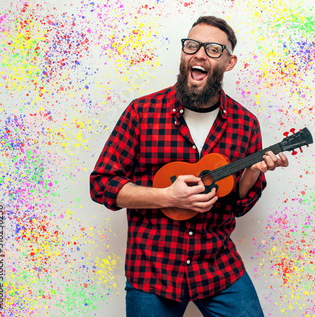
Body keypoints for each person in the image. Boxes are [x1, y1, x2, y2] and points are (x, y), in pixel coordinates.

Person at [90, 16, 288, 317]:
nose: (199, 54)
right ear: (184, 53)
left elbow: (237, 205)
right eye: (192, 45)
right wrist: (167, 198)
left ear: (229, 62)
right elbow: (101, 184)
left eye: (212, 49)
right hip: (153, 269)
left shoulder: (245, 124)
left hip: (217, 267)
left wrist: (251, 173)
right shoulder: (142, 112)